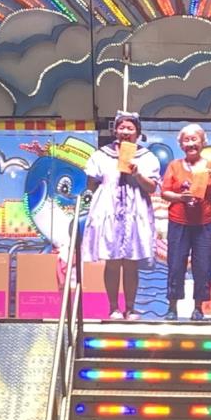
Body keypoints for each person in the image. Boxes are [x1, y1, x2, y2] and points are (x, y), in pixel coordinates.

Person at [81, 111, 160, 320]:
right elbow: (91, 182)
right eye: (121, 127)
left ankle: (131, 308)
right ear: (115, 131)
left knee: (131, 261)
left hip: (136, 211)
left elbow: (152, 187)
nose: (125, 131)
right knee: (112, 261)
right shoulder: (101, 154)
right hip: (108, 210)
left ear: (138, 133)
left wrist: (137, 174)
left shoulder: (147, 157)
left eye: (130, 128)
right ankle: (113, 307)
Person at [161, 124, 211, 321]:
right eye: (186, 140)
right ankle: (172, 307)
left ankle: (198, 308)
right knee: (175, 264)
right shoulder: (174, 166)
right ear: (181, 145)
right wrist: (180, 197)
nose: (190, 144)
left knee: (203, 265)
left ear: (203, 142)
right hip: (178, 221)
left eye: (194, 139)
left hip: (205, 223)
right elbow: (164, 192)